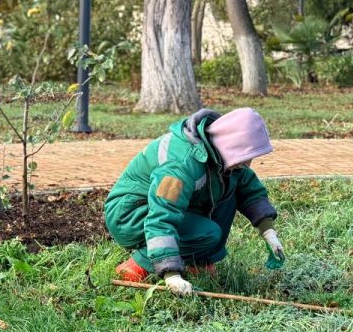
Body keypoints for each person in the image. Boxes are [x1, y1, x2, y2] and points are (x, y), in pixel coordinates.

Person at [104, 108, 285, 296]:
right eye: (246, 157)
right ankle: (135, 267)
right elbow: (162, 214)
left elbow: (248, 186)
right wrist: (171, 273)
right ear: (231, 145)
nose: (248, 164)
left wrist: (267, 229)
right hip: (131, 214)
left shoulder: (220, 154)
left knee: (229, 193)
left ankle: (199, 263)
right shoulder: (180, 166)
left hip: (156, 209)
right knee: (208, 233)